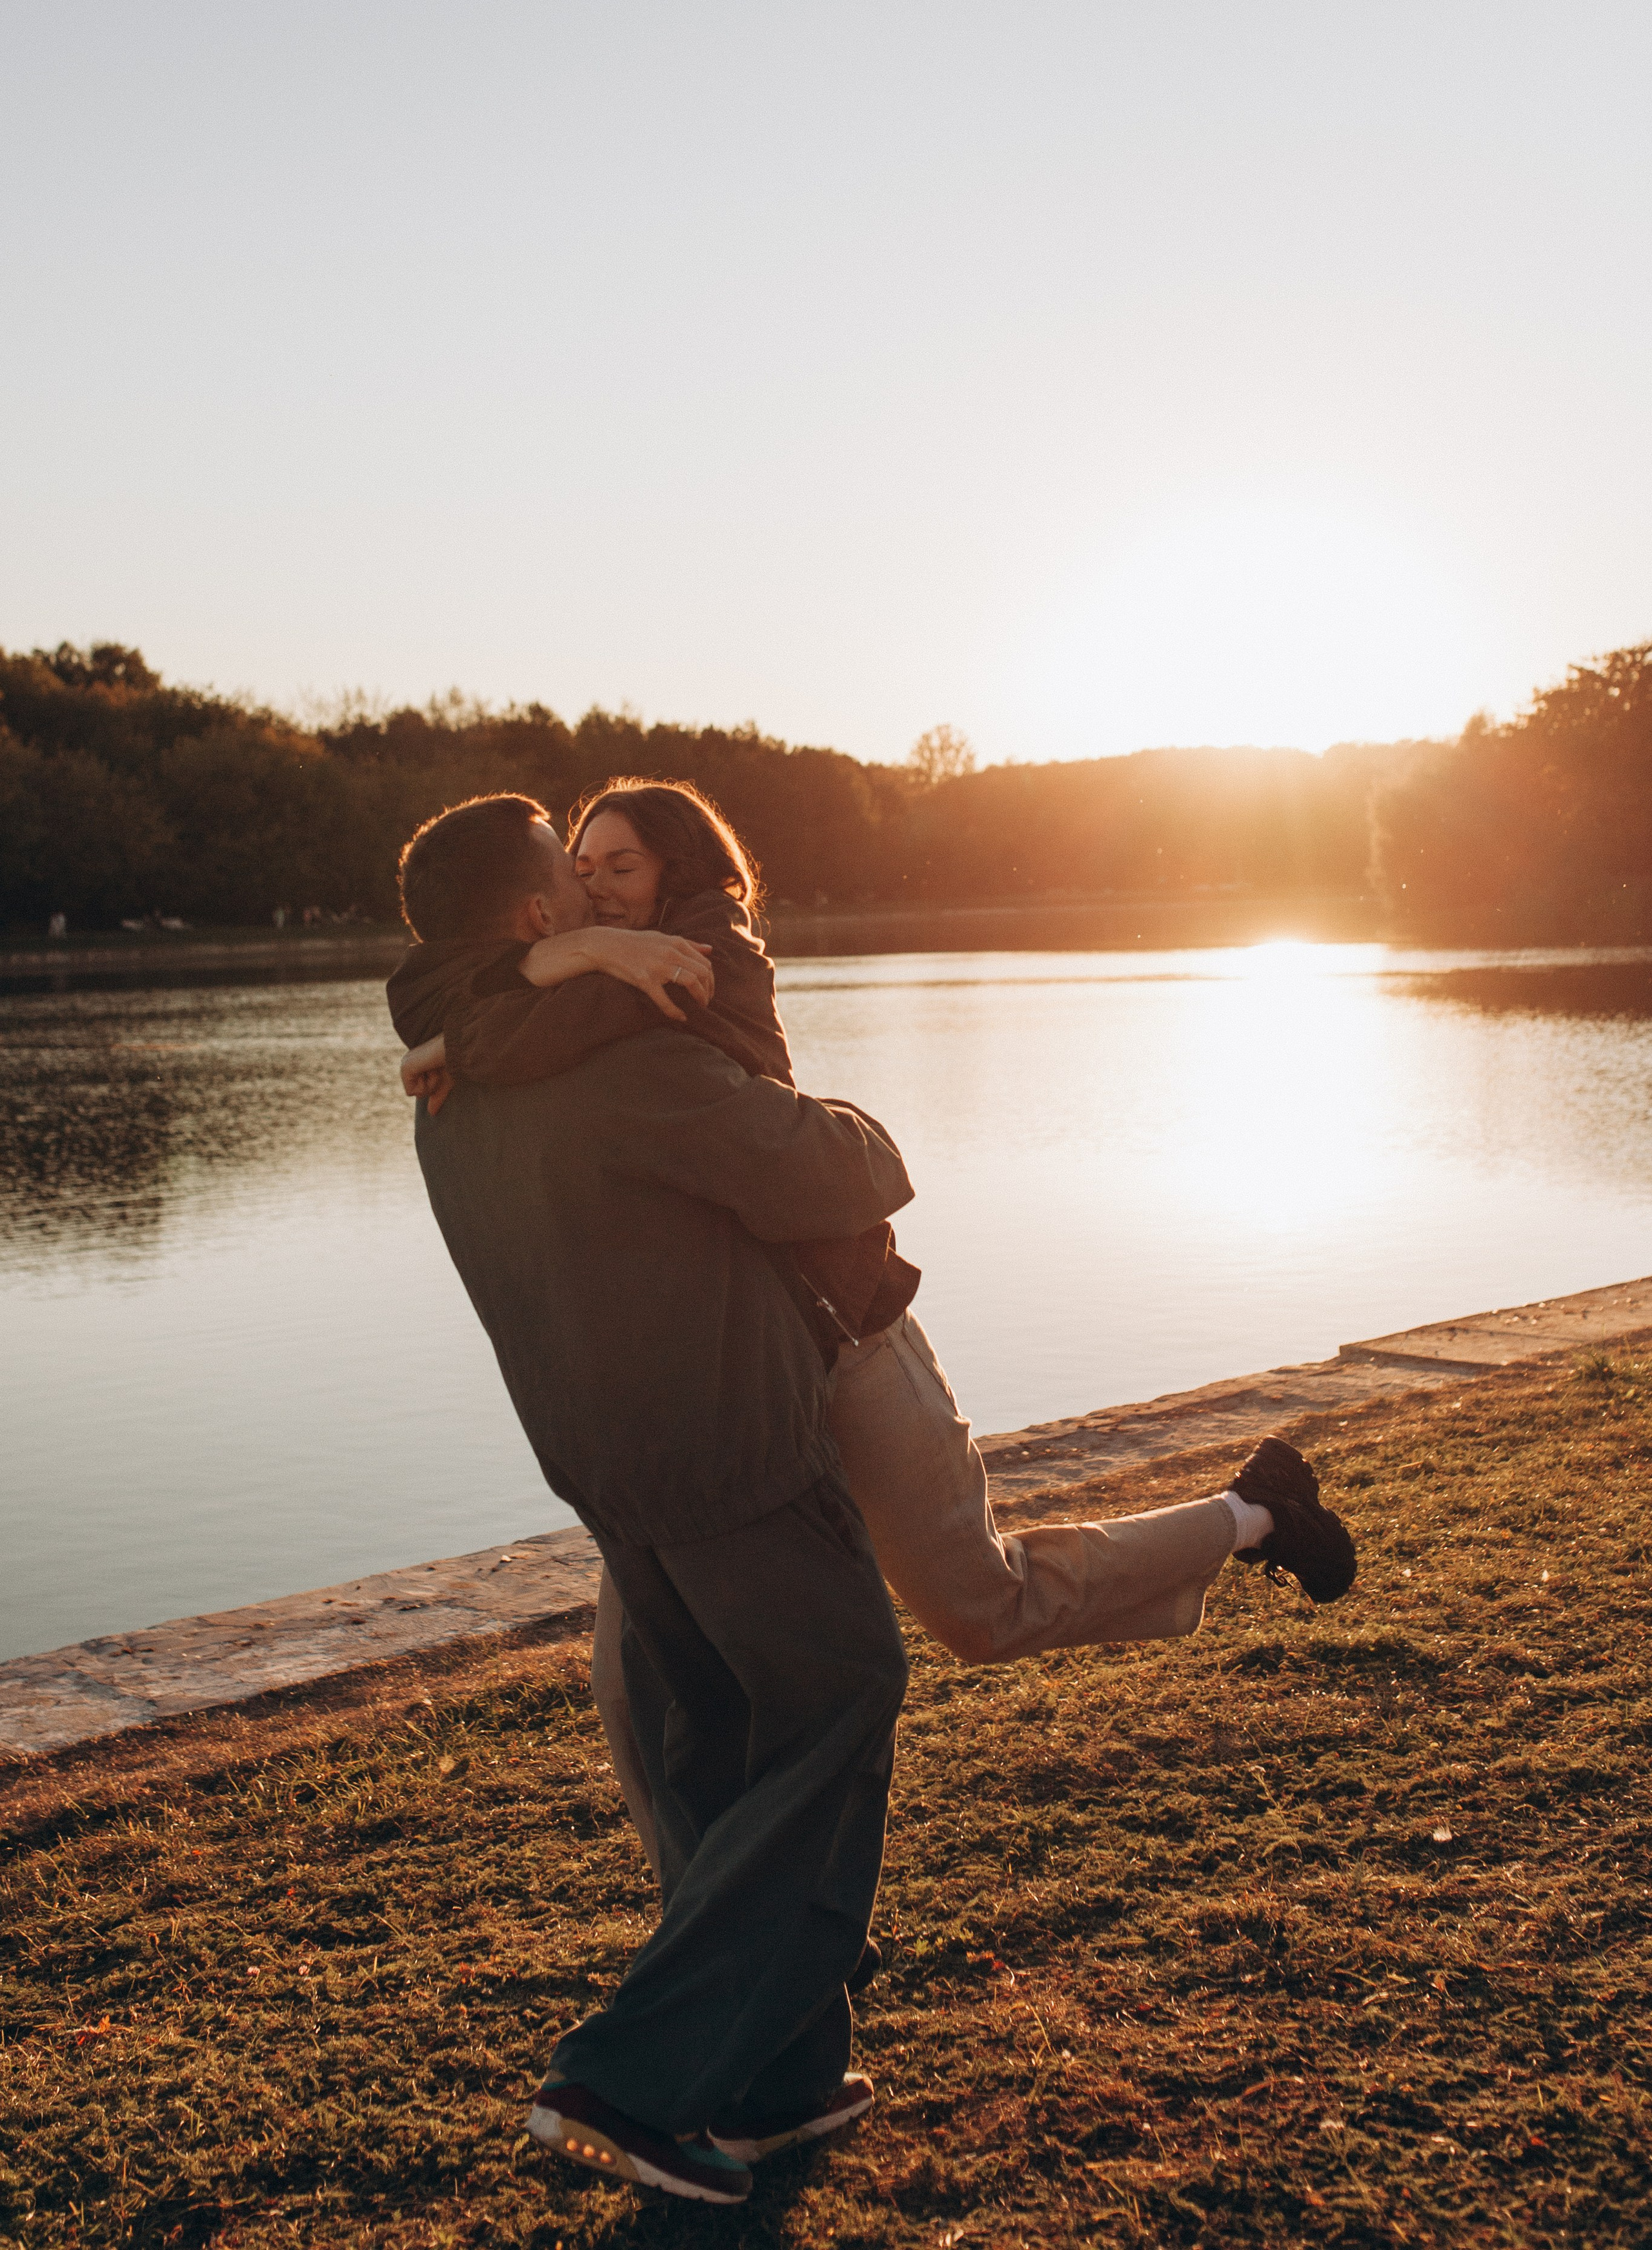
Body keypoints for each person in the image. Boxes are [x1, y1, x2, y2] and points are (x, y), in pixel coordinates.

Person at [393, 779, 1358, 1880]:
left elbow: (504, 1024)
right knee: (632, 1686)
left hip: (846, 1335)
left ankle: (1253, 1516)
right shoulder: (582, 988)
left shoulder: (692, 961)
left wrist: (486, 1015)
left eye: (622, 866)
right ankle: (718, 1944)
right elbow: (477, 1011)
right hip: (721, 1388)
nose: (597, 883)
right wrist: (492, 1010)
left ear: (677, 877)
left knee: (981, 1610)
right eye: (583, 864)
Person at [390, 792, 916, 2207]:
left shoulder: (451, 1086)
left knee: (726, 1750)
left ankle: (776, 2087)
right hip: (733, 1455)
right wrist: (840, 1120)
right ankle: (626, 2078)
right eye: (568, 873)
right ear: (532, 920)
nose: (590, 888)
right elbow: (845, 1172)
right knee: (840, 1700)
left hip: (606, 1469)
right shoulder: (628, 1068)